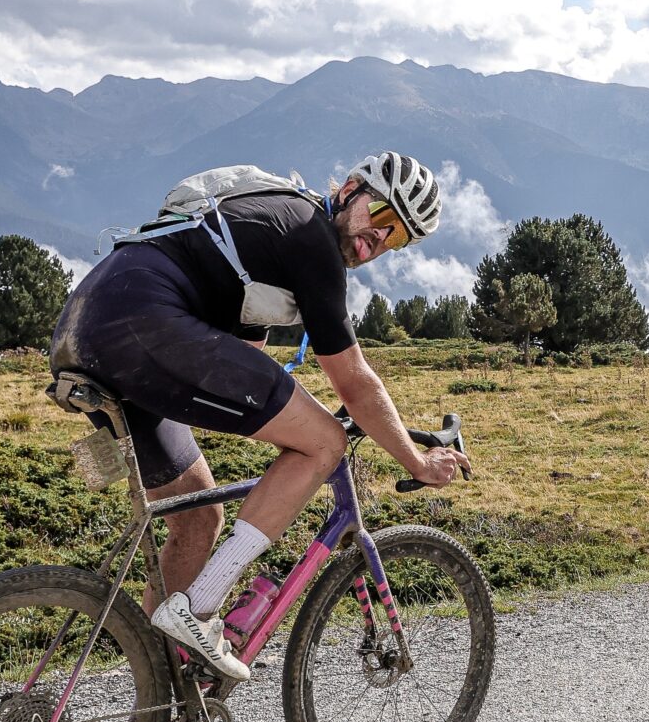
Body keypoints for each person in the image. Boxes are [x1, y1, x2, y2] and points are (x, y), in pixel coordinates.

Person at [48, 151, 468, 680]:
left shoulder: (270, 237)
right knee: (324, 443)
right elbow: (355, 382)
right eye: (382, 216)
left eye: (399, 237)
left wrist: (324, 417)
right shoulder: (311, 237)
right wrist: (417, 462)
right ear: (350, 190)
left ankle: (159, 699)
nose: (379, 239)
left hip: (85, 330)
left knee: (198, 518)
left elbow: (243, 364)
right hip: (142, 323)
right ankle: (197, 610)